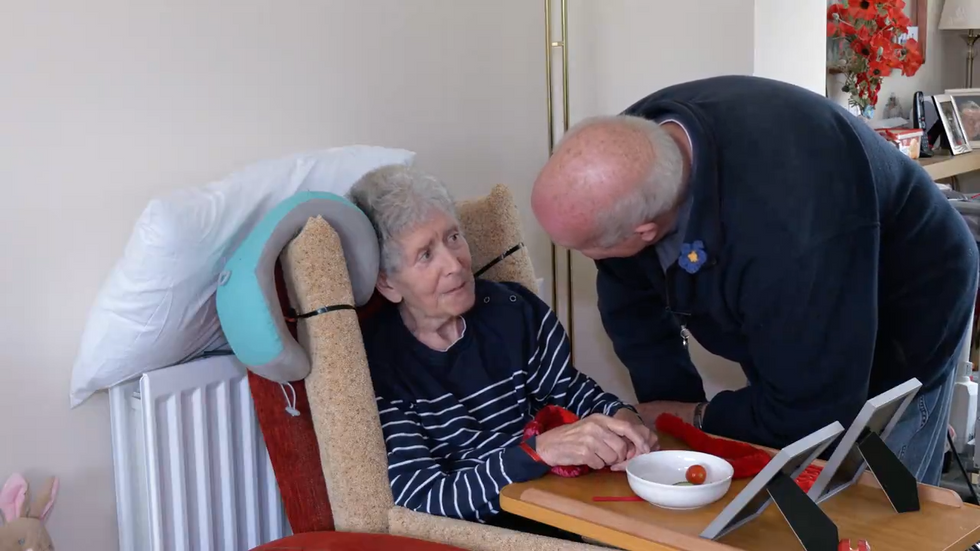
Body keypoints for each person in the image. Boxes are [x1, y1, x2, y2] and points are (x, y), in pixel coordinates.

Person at [530, 75, 979, 485]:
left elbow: (812, 413)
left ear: (644, 230)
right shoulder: (631, 152)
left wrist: (697, 415)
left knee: (879, 498)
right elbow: (631, 303)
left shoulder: (792, 230)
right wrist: (671, 426)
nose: (586, 258)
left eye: (586, 249)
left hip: (912, 295)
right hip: (810, 287)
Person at [349, 165, 657, 537]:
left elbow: (571, 391)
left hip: (561, 509)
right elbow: (423, 500)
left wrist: (624, 420)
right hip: (486, 534)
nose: (455, 263)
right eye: (426, 255)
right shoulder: (378, 366)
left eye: (453, 237)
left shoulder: (513, 310)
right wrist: (535, 452)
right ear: (387, 282)